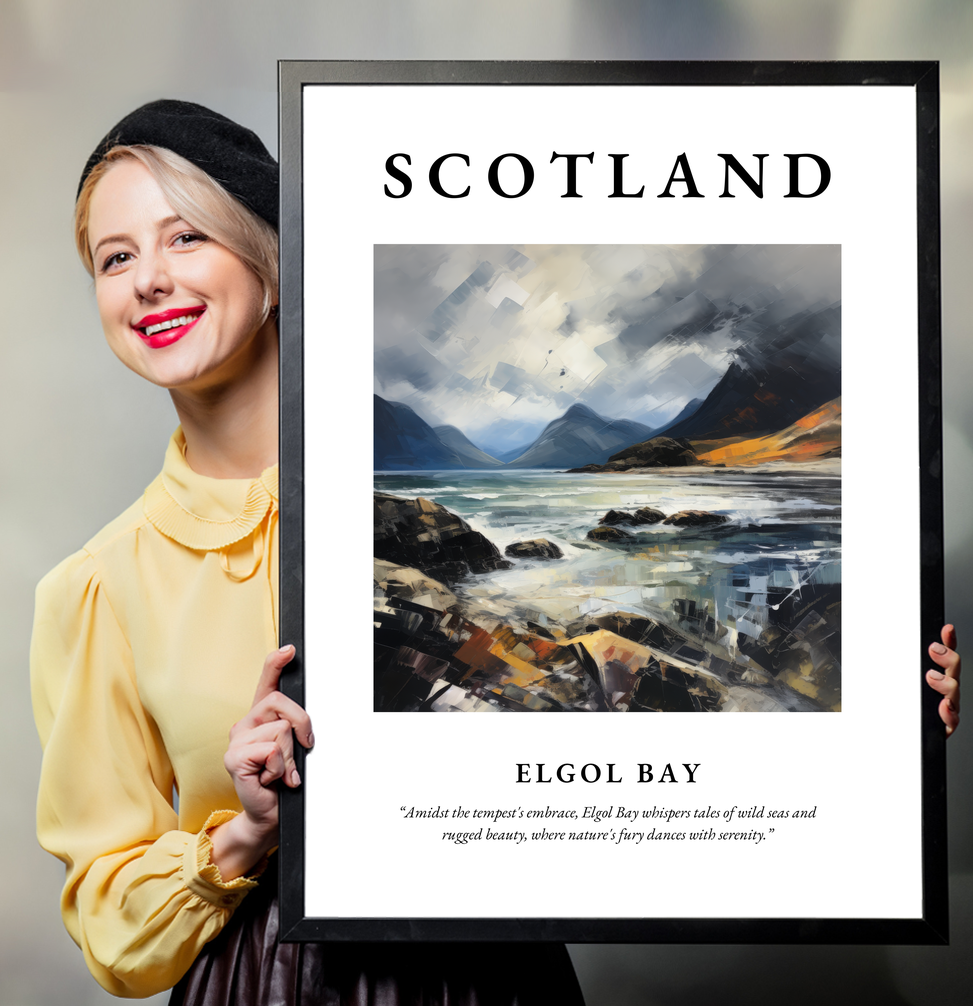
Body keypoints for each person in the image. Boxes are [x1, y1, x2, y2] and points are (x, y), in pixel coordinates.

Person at [30, 100, 585, 1004]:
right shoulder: (97, 586)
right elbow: (110, 925)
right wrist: (245, 832)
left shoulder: (415, 523)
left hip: (493, 973)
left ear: (274, 265)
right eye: (116, 257)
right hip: (264, 981)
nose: (148, 281)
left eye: (186, 239)